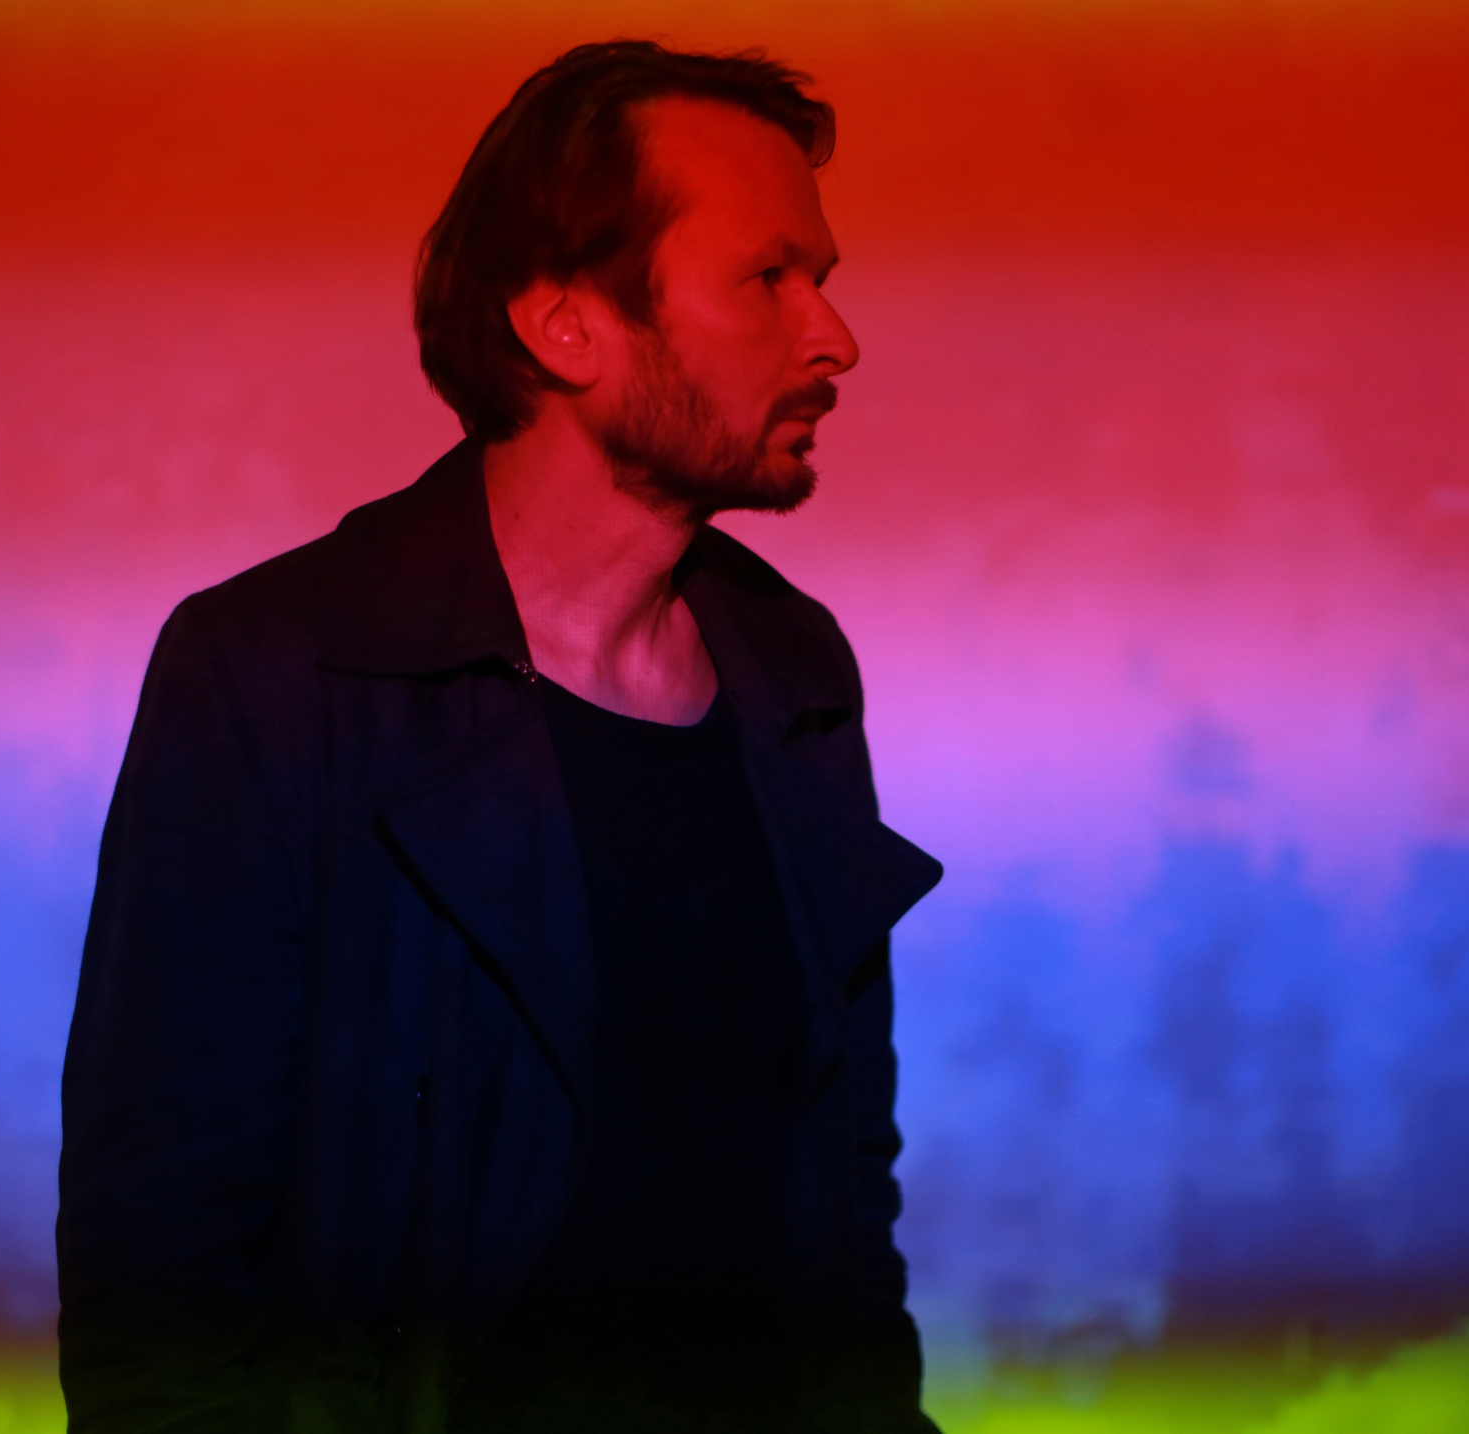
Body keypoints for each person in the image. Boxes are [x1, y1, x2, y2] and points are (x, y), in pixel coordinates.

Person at [57, 39, 943, 1434]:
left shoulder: (792, 670)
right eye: (768, 277)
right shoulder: (279, 674)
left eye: (821, 277)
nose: (833, 337)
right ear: (564, 324)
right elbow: (159, 1270)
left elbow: (842, 1208)